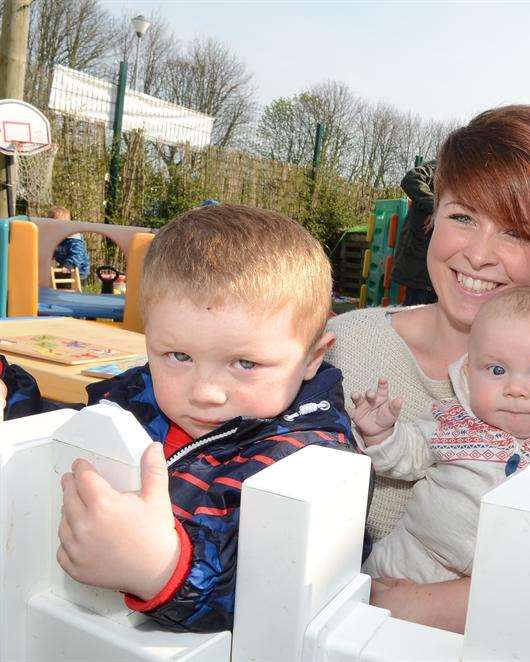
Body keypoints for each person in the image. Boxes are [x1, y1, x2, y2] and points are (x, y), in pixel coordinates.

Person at [328, 105, 530, 633]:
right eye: (462, 216)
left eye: (516, 233)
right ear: (432, 220)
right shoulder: (351, 345)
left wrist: (423, 606)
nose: (478, 254)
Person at [3, 204, 361, 632]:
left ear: (312, 359)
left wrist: (164, 570)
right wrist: (14, 400)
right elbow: (66, 446)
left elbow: (287, 595)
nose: (205, 392)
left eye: (245, 363)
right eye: (178, 356)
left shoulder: (314, 463)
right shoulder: (138, 396)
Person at [351, 287, 530, 597]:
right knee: (355, 608)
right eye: (497, 370)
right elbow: (407, 453)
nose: (516, 388)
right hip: (414, 558)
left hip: (510, 588)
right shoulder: (452, 419)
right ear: (468, 372)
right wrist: (381, 434)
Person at [392, 159, 438, 305]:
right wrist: (437, 206)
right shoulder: (441, 167)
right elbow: (411, 179)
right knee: (415, 307)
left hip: (437, 270)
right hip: (419, 263)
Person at [50, 205, 90, 281]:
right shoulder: (56, 237)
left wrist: (69, 265)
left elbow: (77, 254)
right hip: (64, 268)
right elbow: (51, 251)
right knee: (52, 279)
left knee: (66, 286)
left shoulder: (74, 238)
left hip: (78, 270)